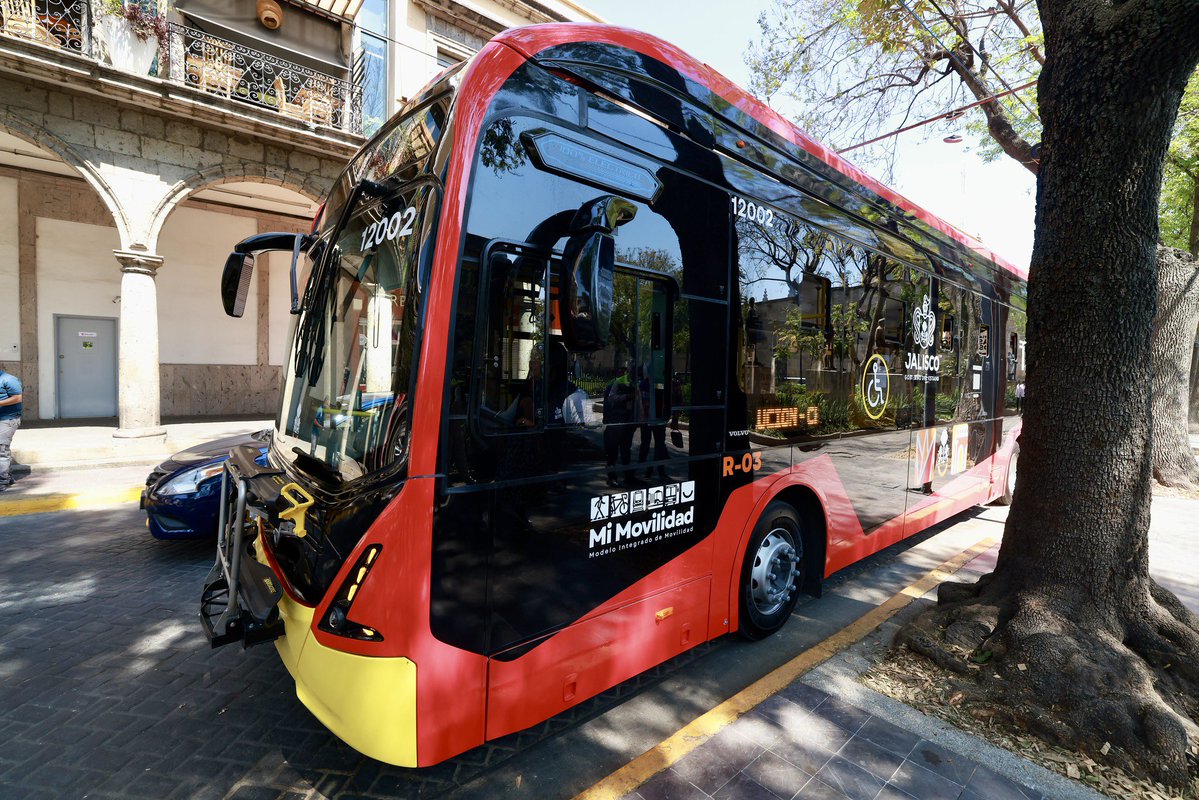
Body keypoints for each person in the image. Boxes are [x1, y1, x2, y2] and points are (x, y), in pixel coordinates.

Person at [0, 365, 22, 491]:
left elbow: (18, 398)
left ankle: (2, 482)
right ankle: (7, 476)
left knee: (1, 448)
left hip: (8, 419)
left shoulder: (8, 379)